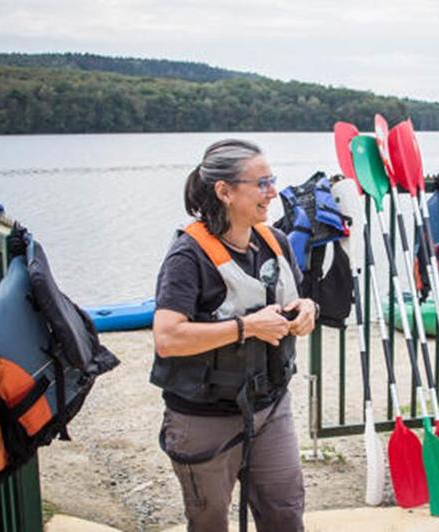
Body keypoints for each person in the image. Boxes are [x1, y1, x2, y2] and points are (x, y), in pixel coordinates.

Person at [150, 139, 317, 532]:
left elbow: (293, 299)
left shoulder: (274, 241)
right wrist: (247, 327)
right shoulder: (186, 258)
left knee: (286, 513)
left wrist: (307, 310)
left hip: (270, 406)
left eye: (272, 180)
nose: (272, 192)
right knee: (208, 521)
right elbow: (167, 338)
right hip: (203, 417)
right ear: (224, 192)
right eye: (261, 183)